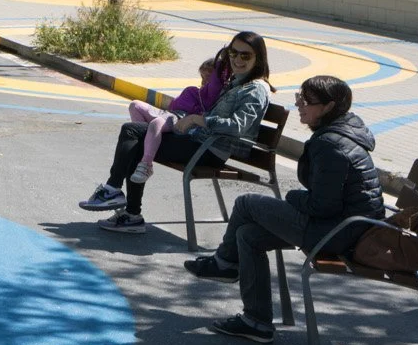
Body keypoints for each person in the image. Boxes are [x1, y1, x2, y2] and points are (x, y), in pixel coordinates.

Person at [188, 74, 384, 343]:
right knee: (247, 235)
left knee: (246, 203)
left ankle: (224, 263)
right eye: (298, 97)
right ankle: (256, 322)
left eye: (307, 101)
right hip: (346, 227)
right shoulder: (338, 133)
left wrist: (293, 197)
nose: (299, 105)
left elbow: (322, 206)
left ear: (329, 106)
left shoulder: (330, 145)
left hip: (339, 233)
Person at [79, 29, 274, 235]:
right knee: (137, 134)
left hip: (209, 150)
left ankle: (118, 196)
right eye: (233, 54)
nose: (237, 59)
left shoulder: (256, 89)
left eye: (245, 55)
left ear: (258, 58)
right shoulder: (238, 83)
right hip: (200, 143)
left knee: (134, 133)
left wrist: (199, 119)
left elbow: (238, 126)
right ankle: (125, 206)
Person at [125, 50, 228, 185]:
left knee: (156, 123)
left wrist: (222, 59)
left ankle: (146, 163)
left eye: (208, 78)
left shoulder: (213, 96)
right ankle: (145, 143)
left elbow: (217, 80)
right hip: (172, 115)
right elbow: (172, 107)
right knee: (135, 105)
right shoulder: (193, 91)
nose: (204, 82)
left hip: (182, 121)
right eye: (202, 77)